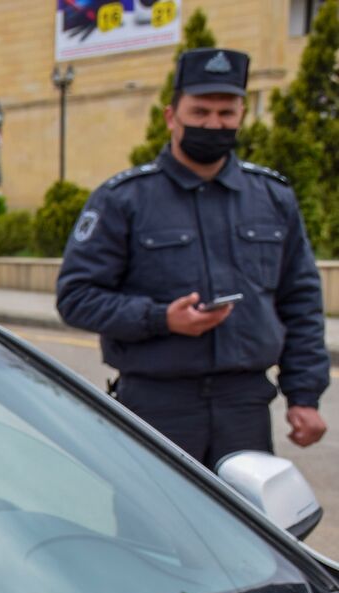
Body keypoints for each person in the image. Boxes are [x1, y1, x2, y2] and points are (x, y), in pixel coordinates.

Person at [58, 48, 328, 469]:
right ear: (172, 116)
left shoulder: (271, 197)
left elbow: (301, 300)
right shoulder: (123, 199)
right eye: (200, 112)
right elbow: (76, 297)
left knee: (243, 512)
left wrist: (304, 395)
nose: (214, 124)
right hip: (157, 403)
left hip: (244, 405)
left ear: (241, 115)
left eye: (226, 113)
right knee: (151, 511)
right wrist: (161, 319)